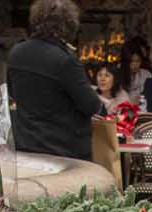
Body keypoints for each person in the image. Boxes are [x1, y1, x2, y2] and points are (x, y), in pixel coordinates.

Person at [7, 0, 102, 160]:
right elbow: (91, 105)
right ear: (68, 25)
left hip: (25, 143)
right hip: (63, 149)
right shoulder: (65, 60)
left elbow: (12, 93)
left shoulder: (16, 52)